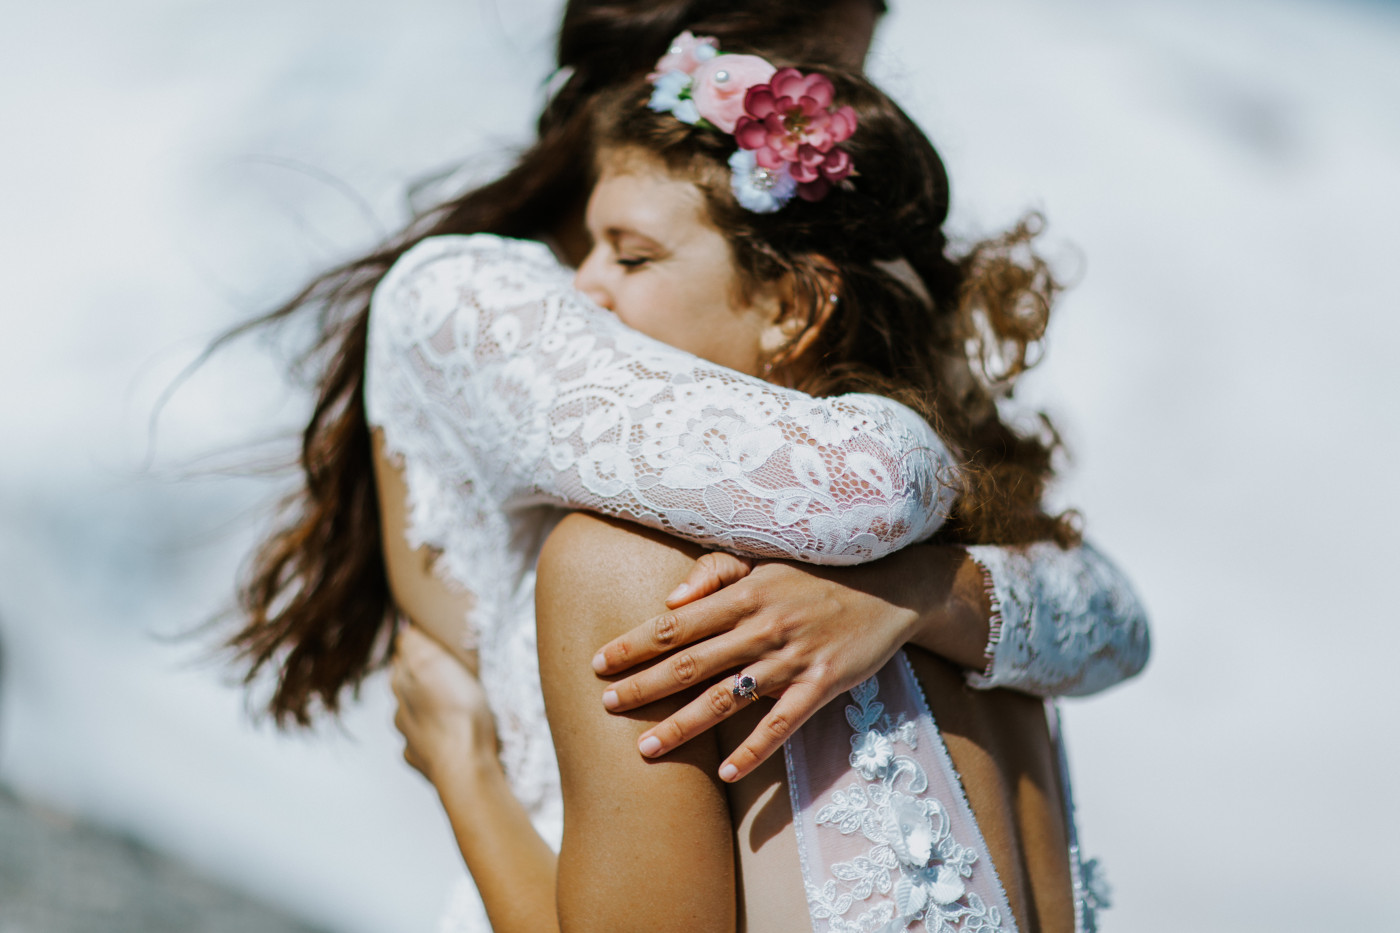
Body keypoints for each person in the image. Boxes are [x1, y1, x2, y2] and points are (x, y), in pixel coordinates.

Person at [223, 1, 1146, 929]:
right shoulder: (487, 304)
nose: (837, 107)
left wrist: (917, 595)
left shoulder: (856, 546)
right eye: (822, 61)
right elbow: (878, 481)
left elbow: (1113, 615)